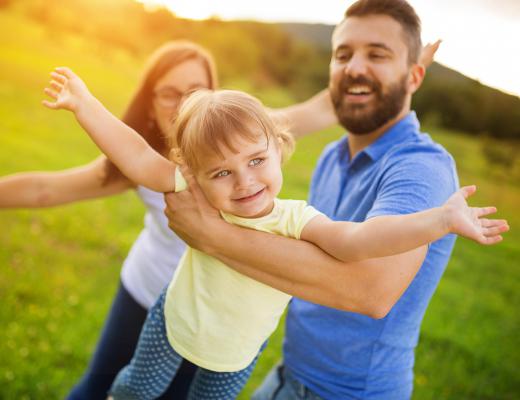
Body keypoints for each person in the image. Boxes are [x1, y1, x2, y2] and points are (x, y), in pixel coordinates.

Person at [42, 59, 505, 400]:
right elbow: (138, 155)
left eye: (256, 161)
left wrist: (440, 220)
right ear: (197, 174)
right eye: (221, 172)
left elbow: (360, 241)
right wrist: (84, 105)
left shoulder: (295, 219)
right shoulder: (197, 191)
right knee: (136, 392)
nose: (244, 182)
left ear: (279, 150)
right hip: (174, 320)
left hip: (236, 353)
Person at [159, 1, 509, 399]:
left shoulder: (421, 168)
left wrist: (212, 235)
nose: (354, 67)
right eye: (343, 54)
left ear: (414, 76)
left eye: (377, 54)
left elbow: (369, 290)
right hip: (289, 374)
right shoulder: (333, 156)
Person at [0, 41, 338, 399]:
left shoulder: (244, 131)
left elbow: (321, 108)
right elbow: (47, 189)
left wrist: (372, 63)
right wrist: (84, 105)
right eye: (169, 94)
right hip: (151, 294)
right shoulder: (164, 168)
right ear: (150, 101)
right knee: (107, 388)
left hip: (223, 322)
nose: (182, 104)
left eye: (193, 91)